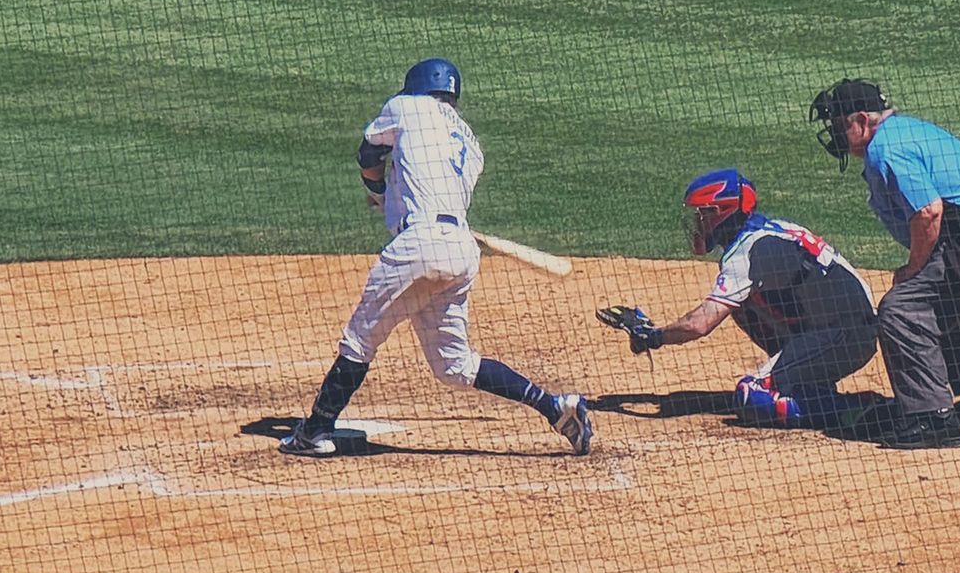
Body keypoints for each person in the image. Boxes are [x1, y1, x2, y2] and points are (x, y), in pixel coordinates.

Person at [280, 58, 593, 457]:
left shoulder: (406, 106)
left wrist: (376, 192)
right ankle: (556, 408)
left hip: (419, 243)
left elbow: (368, 153)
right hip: (460, 247)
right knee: (455, 366)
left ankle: (315, 430)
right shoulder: (472, 144)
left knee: (360, 339)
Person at [809, 79, 960, 449]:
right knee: (938, 307)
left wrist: (913, 268)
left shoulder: (885, 147)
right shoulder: (908, 131)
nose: (834, 133)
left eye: (839, 123)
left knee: (901, 311)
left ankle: (932, 420)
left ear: (862, 120)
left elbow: (929, 211)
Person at [597, 169, 881, 430]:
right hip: (839, 325)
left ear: (722, 214)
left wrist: (653, 336)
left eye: (703, 214)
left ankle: (862, 410)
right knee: (744, 306)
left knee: (752, 397)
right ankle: (804, 382)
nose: (697, 222)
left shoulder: (746, 252)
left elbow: (700, 324)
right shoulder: (766, 230)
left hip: (845, 334)